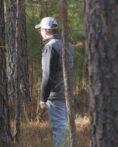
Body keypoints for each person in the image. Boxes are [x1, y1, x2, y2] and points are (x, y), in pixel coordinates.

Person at [35, 17, 74, 147]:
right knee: (63, 128)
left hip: (56, 94)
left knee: (59, 129)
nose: (40, 32)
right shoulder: (68, 44)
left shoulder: (50, 47)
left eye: (40, 29)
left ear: (45, 31)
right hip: (67, 93)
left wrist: (42, 98)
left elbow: (47, 75)